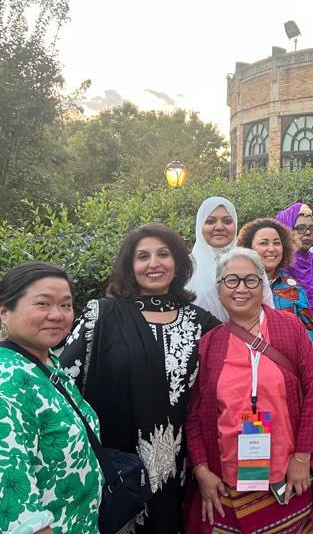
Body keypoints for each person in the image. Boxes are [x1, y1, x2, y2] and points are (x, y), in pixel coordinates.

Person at [60, 223, 221, 533]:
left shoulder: (201, 323)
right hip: (114, 467)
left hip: (181, 470)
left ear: (178, 263)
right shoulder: (101, 316)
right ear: (130, 267)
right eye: (143, 256)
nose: (153, 264)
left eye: (163, 254)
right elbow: (64, 386)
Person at [184, 248, 313, 533]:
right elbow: (195, 415)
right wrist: (201, 470)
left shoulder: (289, 328)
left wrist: (302, 458)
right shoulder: (210, 344)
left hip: (288, 476)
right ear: (219, 289)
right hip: (226, 481)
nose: (241, 288)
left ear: (262, 284)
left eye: (250, 280)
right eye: (231, 280)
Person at [0, 263, 102, 533]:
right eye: (43, 304)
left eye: (65, 305)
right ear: (4, 311)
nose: (57, 315)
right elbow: (13, 511)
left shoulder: (41, 360)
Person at [236, 217, 313, 342]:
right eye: (264, 243)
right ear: (248, 248)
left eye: (277, 243)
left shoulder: (293, 288)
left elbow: (308, 334)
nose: (272, 249)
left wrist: (312, 348)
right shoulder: (236, 287)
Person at [185, 196, 238, 320]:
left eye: (227, 221)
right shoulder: (185, 267)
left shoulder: (250, 264)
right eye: (210, 221)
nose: (219, 227)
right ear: (200, 225)